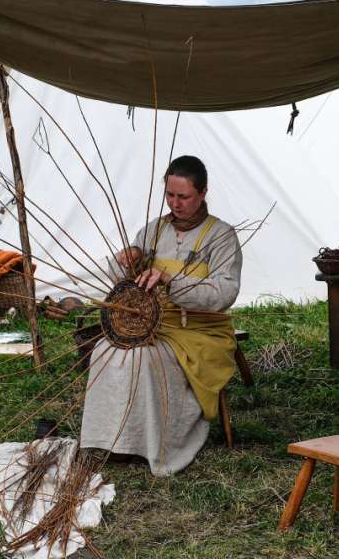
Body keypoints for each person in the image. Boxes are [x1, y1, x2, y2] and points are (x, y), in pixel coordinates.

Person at [80, 155, 242, 475]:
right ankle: (110, 440)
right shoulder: (153, 230)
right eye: (170, 195)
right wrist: (126, 259)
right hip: (153, 323)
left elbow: (225, 294)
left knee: (145, 359)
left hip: (200, 330)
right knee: (104, 351)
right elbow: (121, 280)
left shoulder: (222, 236)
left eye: (184, 197)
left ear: (203, 193)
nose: (175, 203)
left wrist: (172, 280)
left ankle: (150, 444)